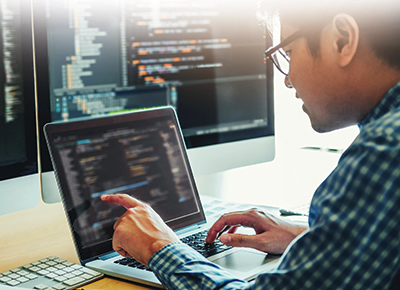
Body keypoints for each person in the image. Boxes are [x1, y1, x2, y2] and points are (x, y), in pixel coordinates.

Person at [101, 0, 400, 288]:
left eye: (289, 52)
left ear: (342, 39)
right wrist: (313, 238)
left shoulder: (384, 150)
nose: (288, 80)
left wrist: (157, 246)